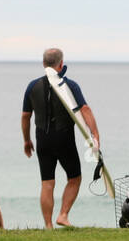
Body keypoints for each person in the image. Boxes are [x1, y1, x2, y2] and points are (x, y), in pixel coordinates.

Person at [21, 47, 101, 228]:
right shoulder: (69, 86)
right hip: (64, 139)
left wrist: (27, 140)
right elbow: (85, 109)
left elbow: (26, 116)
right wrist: (95, 134)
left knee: (47, 182)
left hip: (42, 139)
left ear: (43, 64)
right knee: (74, 178)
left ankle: (48, 225)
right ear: (61, 64)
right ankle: (63, 215)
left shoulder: (32, 86)